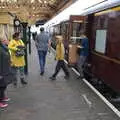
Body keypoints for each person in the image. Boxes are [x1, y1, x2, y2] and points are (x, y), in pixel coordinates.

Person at [0, 37, 13, 108]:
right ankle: (0, 101)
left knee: (4, 85)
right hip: (1, 71)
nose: (7, 41)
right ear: (2, 41)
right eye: (5, 40)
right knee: (1, 86)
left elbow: (7, 55)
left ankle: (2, 97)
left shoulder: (4, 47)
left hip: (5, 69)